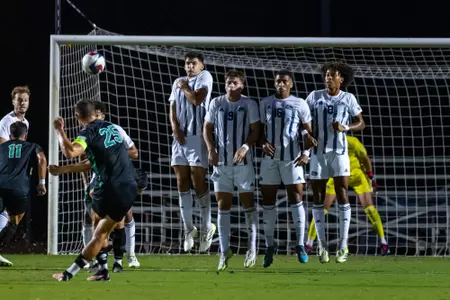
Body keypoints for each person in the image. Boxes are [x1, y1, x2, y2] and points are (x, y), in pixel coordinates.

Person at [49, 101, 141, 273]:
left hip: (109, 186)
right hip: (130, 185)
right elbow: (91, 162)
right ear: (95, 113)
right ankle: (110, 265)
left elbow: (70, 152)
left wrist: (59, 130)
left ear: (77, 117)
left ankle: (96, 267)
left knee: (97, 224)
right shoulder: (113, 128)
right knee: (106, 226)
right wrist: (63, 170)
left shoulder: (88, 132)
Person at [302, 61, 365, 264]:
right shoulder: (314, 96)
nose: (329, 78)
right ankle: (321, 246)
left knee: (342, 193)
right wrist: (306, 134)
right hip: (318, 153)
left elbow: (361, 122)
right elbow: (302, 119)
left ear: (341, 79)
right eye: (327, 75)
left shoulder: (348, 98)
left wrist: (345, 127)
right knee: (317, 196)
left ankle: (343, 245)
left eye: (333, 75)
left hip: (339, 153)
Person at [203, 70, 260, 271]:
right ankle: (223, 251)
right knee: (222, 205)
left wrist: (245, 147)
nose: (231, 85)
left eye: (235, 83)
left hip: (243, 164)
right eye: (228, 83)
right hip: (221, 164)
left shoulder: (249, 104)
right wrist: (211, 150)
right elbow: (207, 128)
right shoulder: (216, 103)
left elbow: (256, 130)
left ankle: (252, 248)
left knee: (248, 204)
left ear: (242, 86)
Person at [259, 70, 317, 268]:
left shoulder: (300, 103)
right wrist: (262, 143)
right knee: (268, 202)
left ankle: (300, 245)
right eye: (278, 81)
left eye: (284, 81)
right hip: (269, 160)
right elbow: (257, 131)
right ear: (274, 83)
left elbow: (309, 133)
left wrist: (306, 155)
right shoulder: (265, 103)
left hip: (292, 160)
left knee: (297, 200)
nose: (281, 84)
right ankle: (269, 246)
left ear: (291, 84)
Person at [305, 135, 389, 255]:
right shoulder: (326, 142)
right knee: (322, 208)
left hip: (355, 175)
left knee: (369, 208)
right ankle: (309, 244)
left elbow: (365, 158)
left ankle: (383, 242)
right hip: (337, 176)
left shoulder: (352, 142)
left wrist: (371, 176)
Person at [168, 51, 215, 253]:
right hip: (180, 138)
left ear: (201, 65)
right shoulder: (178, 81)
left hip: (198, 137)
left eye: (193, 63)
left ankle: (206, 227)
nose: (190, 67)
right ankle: (189, 230)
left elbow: (197, 100)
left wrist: (184, 86)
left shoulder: (205, 77)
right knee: (181, 182)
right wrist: (175, 128)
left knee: (198, 182)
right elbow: (172, 107)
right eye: (187, 63)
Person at [0, 122, 46, 266]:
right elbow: (42, 159)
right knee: (14, 220)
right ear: (25, 135)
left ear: (10, 135)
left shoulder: (1, 147)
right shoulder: (32, 146)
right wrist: (42, 183)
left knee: (3, 214)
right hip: (18, 188)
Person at [0, 86, 31, 266]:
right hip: (5, 173)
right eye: (19, 100)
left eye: (25, 100)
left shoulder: (25, 123)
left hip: (13, 175)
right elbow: (4, 148)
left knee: (8, 211)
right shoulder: (6, 122)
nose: (22, 103)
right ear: (13, 101)